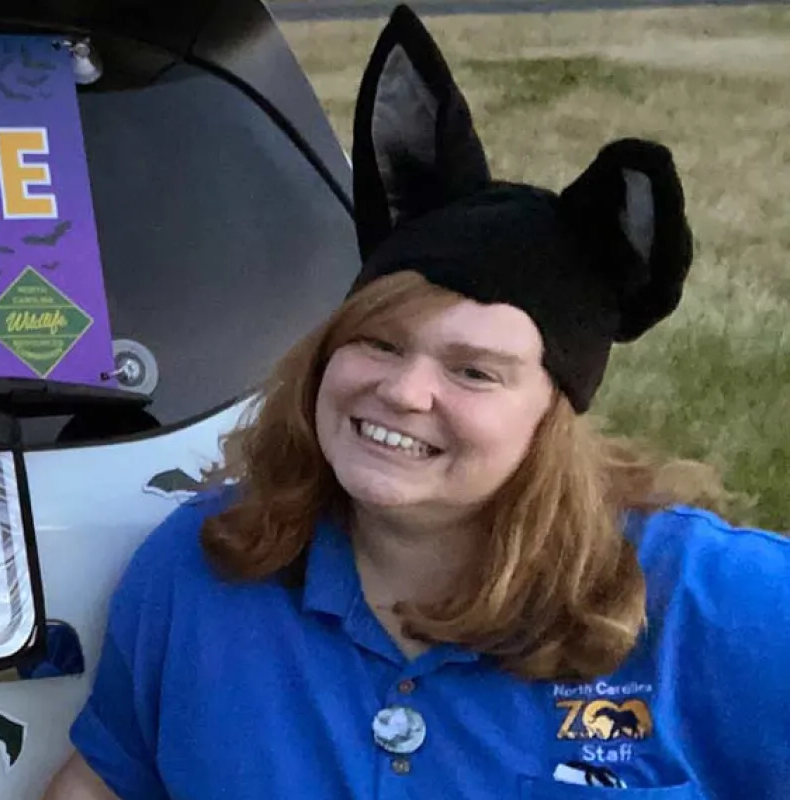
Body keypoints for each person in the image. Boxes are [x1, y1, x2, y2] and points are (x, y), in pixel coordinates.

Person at [43, 5, 789, 799]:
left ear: (552, 414)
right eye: (380, 344)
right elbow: (100, 784)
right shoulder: (203, 568)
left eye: (474, 372)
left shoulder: (719, 605)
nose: (402, 391)